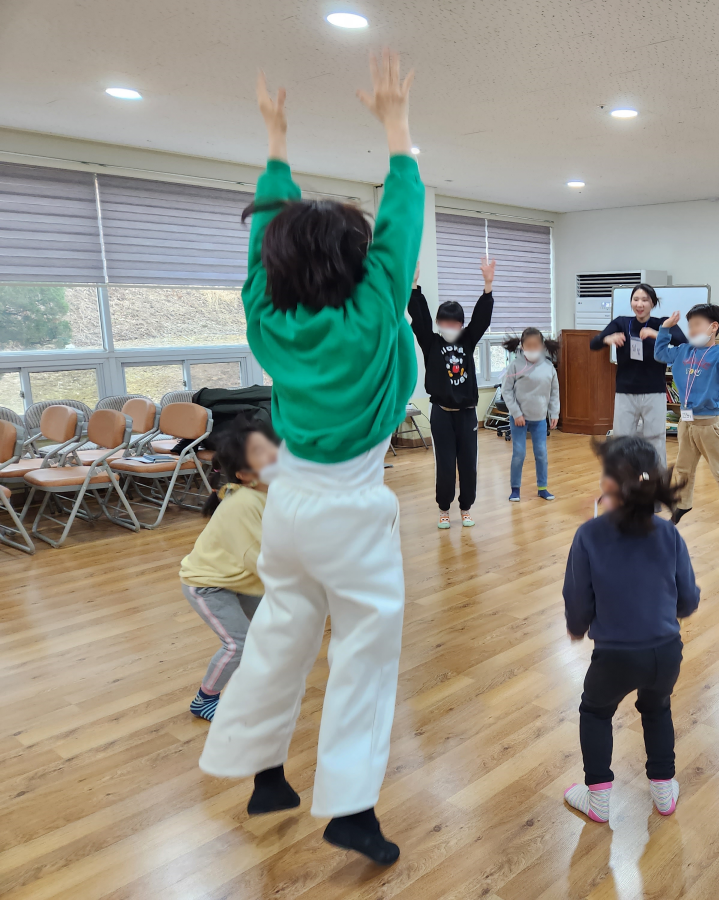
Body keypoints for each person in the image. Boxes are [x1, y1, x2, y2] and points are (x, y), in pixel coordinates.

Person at [199, 52, 421, 866]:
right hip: (351, 514)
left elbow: (266, 241)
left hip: (286, 510)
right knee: (365, 653)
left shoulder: (266, 320)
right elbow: (401, 223)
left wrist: (276, 145)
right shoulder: (373, 314)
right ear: (358, 263)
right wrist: (396, 127)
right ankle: (351, 808)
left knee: (280, 634)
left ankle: (263, 774)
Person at [562, 436, 700, 823]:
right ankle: (663, 791)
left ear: (608, 484)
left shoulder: (589, 534)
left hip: (615, 657)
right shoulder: (669, 533)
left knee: (595, 712)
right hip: (665, 653)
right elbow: (688, 599)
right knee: (657, 708)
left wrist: (577, 627)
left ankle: (598, 797)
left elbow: (577, 597)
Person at [180, 416, 278, 721]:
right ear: (246, 475)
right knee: (238, 643)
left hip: (240, 579)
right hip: (208, 584)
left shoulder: (269, 491)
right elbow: (260, 559)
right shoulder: (244, 503)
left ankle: (254, 686)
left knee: (267, 631)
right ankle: (205, 699)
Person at [410, 257, 495, 529]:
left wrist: (488, 285)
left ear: (461, 324)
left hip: (467, 413)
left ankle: (466, 507)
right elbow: (419, 318)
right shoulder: (431, 342)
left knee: (468, 464)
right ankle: (444, 508)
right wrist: (413, 284)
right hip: (441, 413)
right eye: (444, 322)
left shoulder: (468, 340)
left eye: (454, 323)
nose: (449, 327)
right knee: (445, 465)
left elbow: (481, 319)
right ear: (438, 323)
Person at [653, 304, 719, 541]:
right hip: (686, 423)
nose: (692, 330)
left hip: (709, 425)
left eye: (697, 325)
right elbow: (660, 354)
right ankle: (683, 504)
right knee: (684, 468)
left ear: (713, 327)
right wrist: (664, 329)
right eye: (690, 326)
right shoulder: (683, 350)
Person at [589, 284, 687, 466]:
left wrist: (657, 334)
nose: (639, 304)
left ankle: (658, 479)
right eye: (635, 299)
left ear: (653, 303)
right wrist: (607, 339)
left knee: (655, 439)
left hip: (654, 391)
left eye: (645, 300)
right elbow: (594, 343)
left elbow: (683, 341)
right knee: (622, 440)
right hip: (625, 391)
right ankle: (622, 478)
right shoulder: (621, 323)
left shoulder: (661, 323)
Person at [501, 327, 560, 501]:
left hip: (539, 419)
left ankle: (542, 488)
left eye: (536, 346)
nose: (532, 349)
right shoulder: (515, 365)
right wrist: (516, 413)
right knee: (519, 453)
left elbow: (554, 392)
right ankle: (515, 490)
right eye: (529, 346)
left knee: (541, 453)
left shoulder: (549, 367)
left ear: (542, 346)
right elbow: (506, 391)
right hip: (519, 419)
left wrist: (554, 413)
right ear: (522, 346)